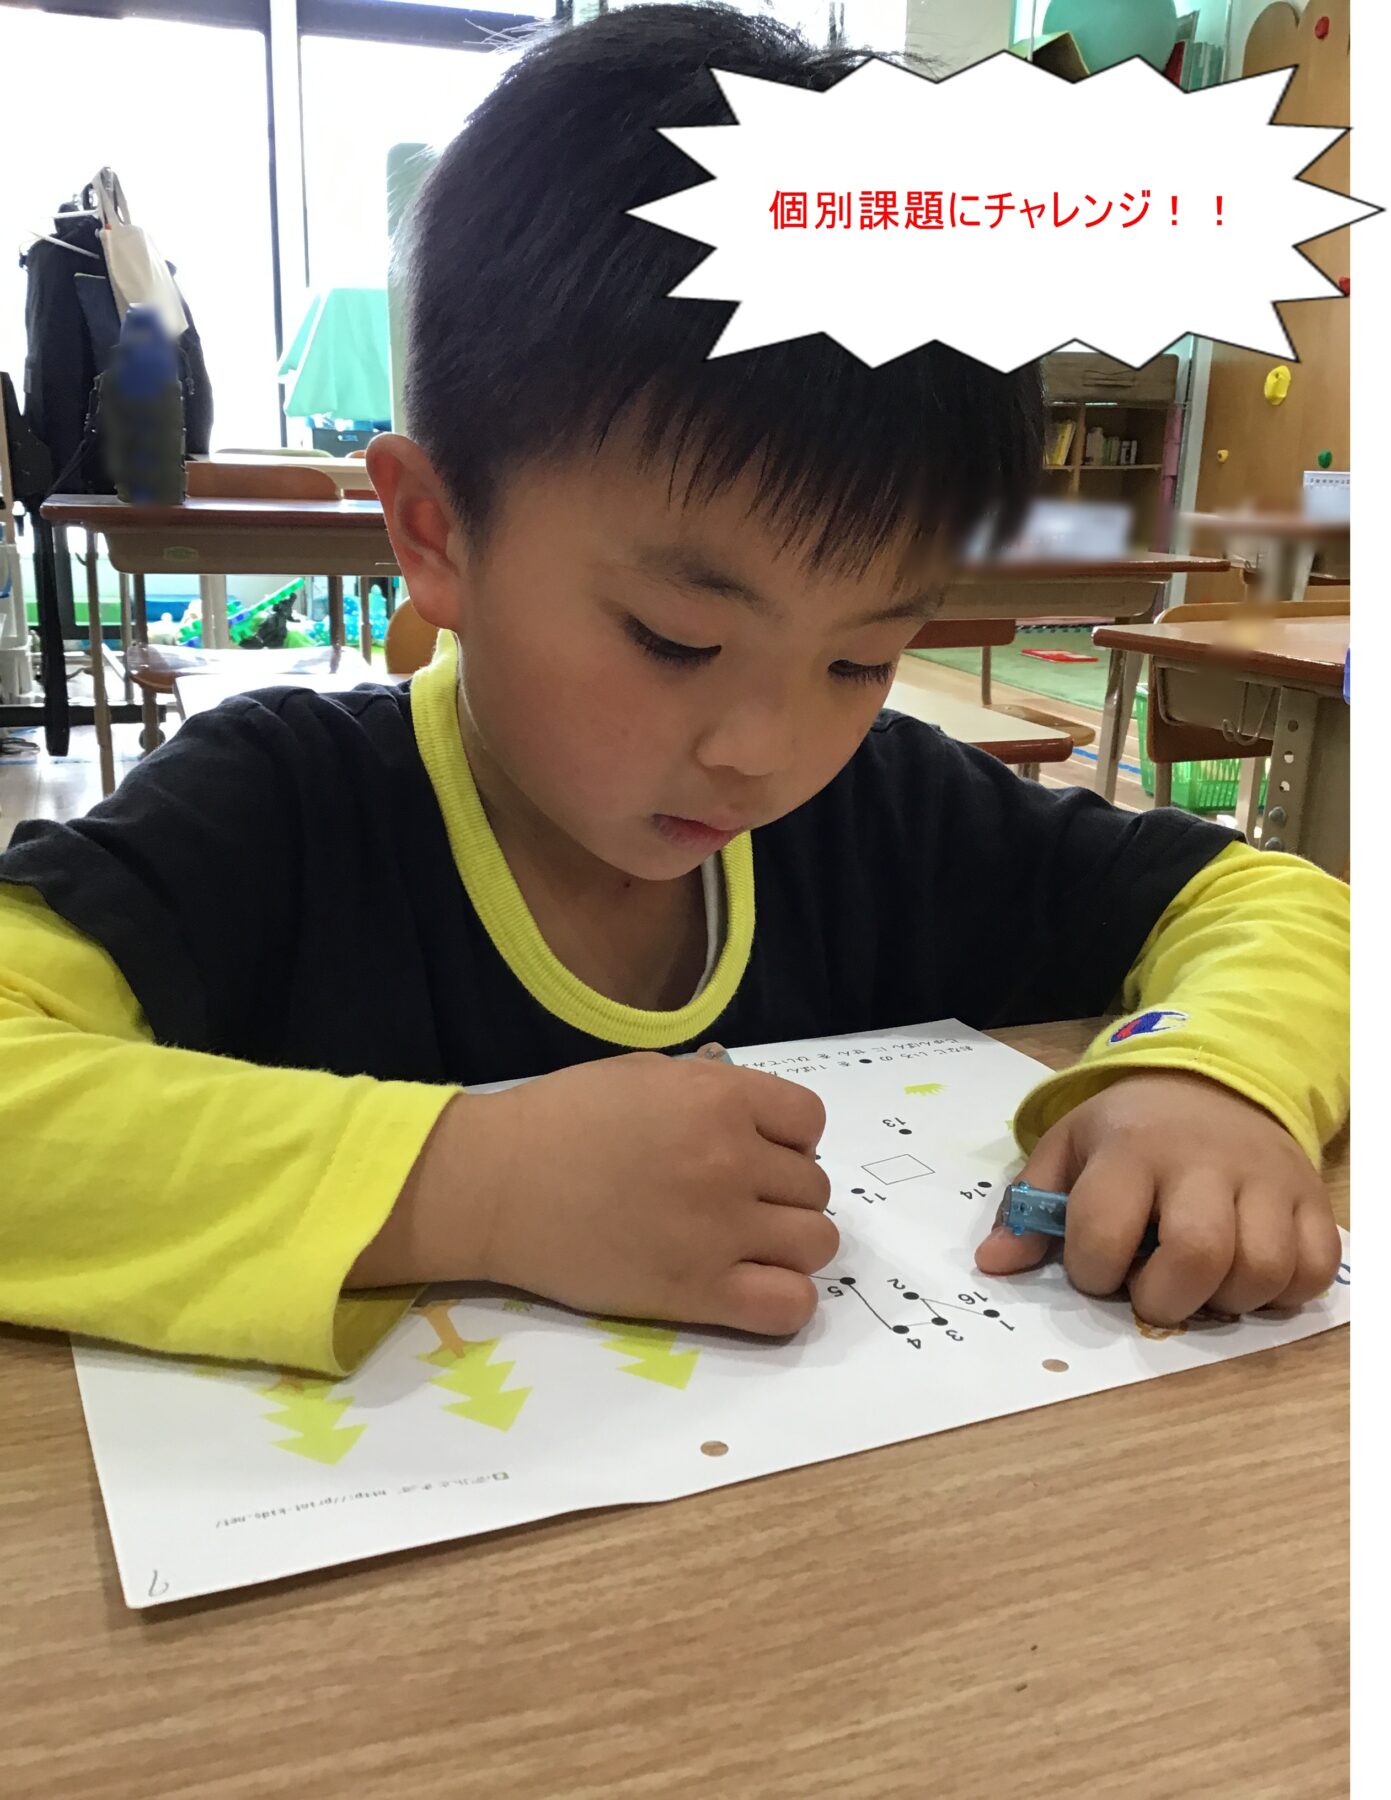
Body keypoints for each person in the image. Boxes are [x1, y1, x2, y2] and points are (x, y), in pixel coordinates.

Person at [0, 5, 1347, 1377]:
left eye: (861, 658)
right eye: (675, 639)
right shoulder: (283, 814)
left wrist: (1204, 1073)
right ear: (436, 531)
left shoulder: (883, 817)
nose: (766, 749)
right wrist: (470, 1183)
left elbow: (1274, 903)